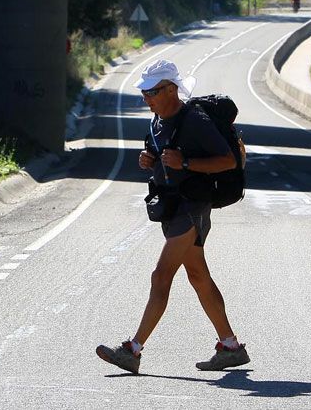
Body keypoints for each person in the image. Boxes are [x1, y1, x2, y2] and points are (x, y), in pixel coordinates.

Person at [96, 59, 249, 375]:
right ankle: (230, 346)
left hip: (191, 208)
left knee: (160, 275)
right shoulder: (156, 122)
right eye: (144, 92)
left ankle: (133, 349)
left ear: (170, 90)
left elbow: (227, 161)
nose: (146, 98)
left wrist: (187, 163)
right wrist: (149, 161)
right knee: (199, 277)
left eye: (152, 92)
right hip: (172, 208)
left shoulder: (195, 120)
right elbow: (165, 158)